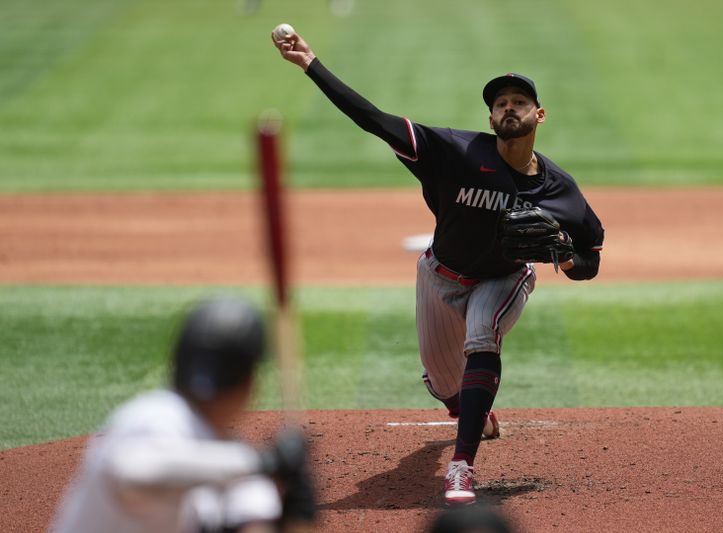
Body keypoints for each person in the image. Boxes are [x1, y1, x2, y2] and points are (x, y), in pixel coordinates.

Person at [272, 29, 604, 506]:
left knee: (482, 336)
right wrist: (311, 64)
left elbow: (590, 259)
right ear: (490, 117)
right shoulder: (456, 153)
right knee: (445, 382)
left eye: (519, 101)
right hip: (439, 275)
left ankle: (461, 467)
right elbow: (373, 120)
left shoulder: (561, 192)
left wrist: (569, 256)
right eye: (501, 103)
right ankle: (464, 406)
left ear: (539, 114)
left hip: (503, 277)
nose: (509, 108)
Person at [50, 296, 315, 532]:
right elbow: (135, 469)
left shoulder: (234, 457)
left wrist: (298, 512)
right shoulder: (156, 418)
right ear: (250, 383)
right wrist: (262, 462)